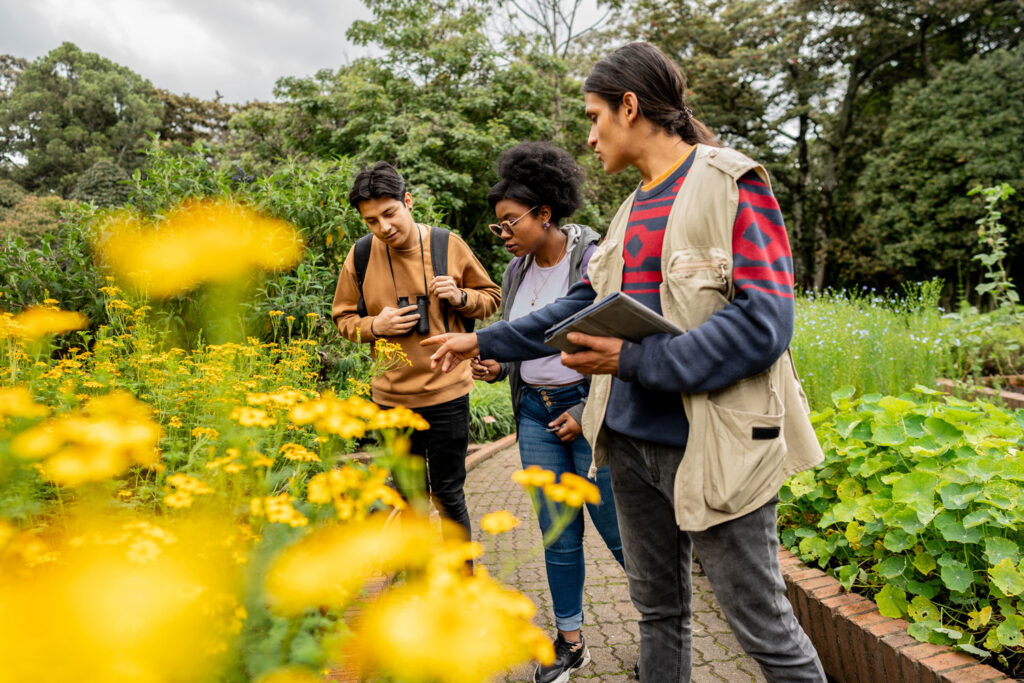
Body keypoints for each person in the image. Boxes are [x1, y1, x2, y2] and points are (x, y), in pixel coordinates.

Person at [424, 43, 826, 682]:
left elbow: (764, 325)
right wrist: (484, 341)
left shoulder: (730, 185)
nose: (588, 136)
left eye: (593, 116)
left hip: (716, 446)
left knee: (764, 628)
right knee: (658, 613)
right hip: (631, 443)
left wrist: (634, 358)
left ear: (629, 107)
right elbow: (582, 303)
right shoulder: (628, 210)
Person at [473, 141, 626, 683]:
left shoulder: (592, 258)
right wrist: (496, 364)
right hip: (535, 415)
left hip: (588, 410)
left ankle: (663, 630)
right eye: (499, 227)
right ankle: (571, 642)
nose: (505, 234)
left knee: (618, 533)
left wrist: (584, 406)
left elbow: (606, 333)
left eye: (511, 222)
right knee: (558, 534)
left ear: (545, 213)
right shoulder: (516, 271)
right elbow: (524, 339)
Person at [332, 161, 501, 540]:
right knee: (409, 504)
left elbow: (491, 298)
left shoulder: (446, 245)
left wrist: (459, 296)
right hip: (392, 402)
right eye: (372, 221)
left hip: (447, 394)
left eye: (389, 213)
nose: (384, 227)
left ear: (407, 201)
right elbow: (342, 318)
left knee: (448, 496)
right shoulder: (360, 256)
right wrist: (376, 325)